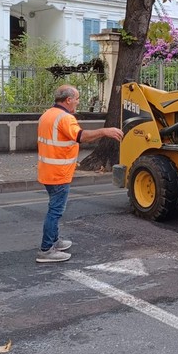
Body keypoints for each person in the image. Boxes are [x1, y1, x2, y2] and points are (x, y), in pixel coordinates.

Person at [36, 84, 123, 263]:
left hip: (48, 171)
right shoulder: (65, 118)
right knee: (55, 211)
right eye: (76, 98)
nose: (78, 101)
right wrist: (105, 131)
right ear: (68, 100)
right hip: (59, 173)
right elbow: (81, 136)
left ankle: (55, 241)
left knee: (54, 208)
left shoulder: (47, 114)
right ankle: (46, 250)